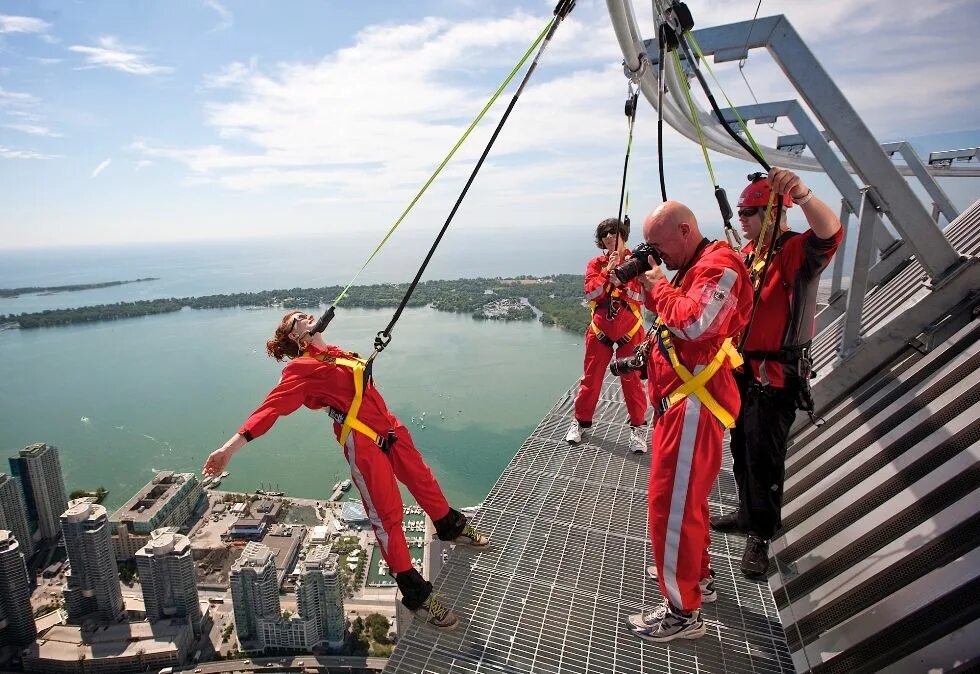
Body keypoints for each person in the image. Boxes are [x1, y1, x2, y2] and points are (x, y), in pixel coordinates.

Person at [202, 310, 489, 630]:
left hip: (389, 430)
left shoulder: (335, 354)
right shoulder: (301, 368)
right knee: (388, 516)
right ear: (295, 336)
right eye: (298, 317)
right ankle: (417, 596)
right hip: (362, 441)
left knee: (424, 480)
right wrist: (228, 449)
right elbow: (271, 409)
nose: (307, 315)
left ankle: (450, 526)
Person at [624, 201, 753, 642]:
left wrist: (658, 285)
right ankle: (697, 576)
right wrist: (643, 279)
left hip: (693, 405)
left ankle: (683, 612)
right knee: (687, 504)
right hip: (680, 402)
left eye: (659, 247)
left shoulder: (721, 266)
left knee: (670, 510)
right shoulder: (693, 266)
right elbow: (669, 311)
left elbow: (696, 323)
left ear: (685, 230)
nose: (658, 257)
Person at [710, 167, 843, 577]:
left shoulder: (793, 252)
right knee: (742, 451)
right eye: (742, 213)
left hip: (775, 376)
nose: (743, 220)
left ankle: (761, 537)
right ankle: (746, 515)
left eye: (749, 212)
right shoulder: (751, 255)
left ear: (770, 211)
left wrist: (802, 194)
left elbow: (829, 233)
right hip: (743, 371)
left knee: (765, 458)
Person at [566, 217, 649, 452]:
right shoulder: (596, 264)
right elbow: (591, 294)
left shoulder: (638, 262)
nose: (610, 237)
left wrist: (622, 280)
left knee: (632, 381)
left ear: (623, 235)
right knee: (590, 380)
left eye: (614, 233)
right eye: (605, 235)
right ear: (601, 241)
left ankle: (638, 428)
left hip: (630, 331)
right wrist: (608, 272)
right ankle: (580, 422)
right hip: (600, 331)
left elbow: (644, 297)